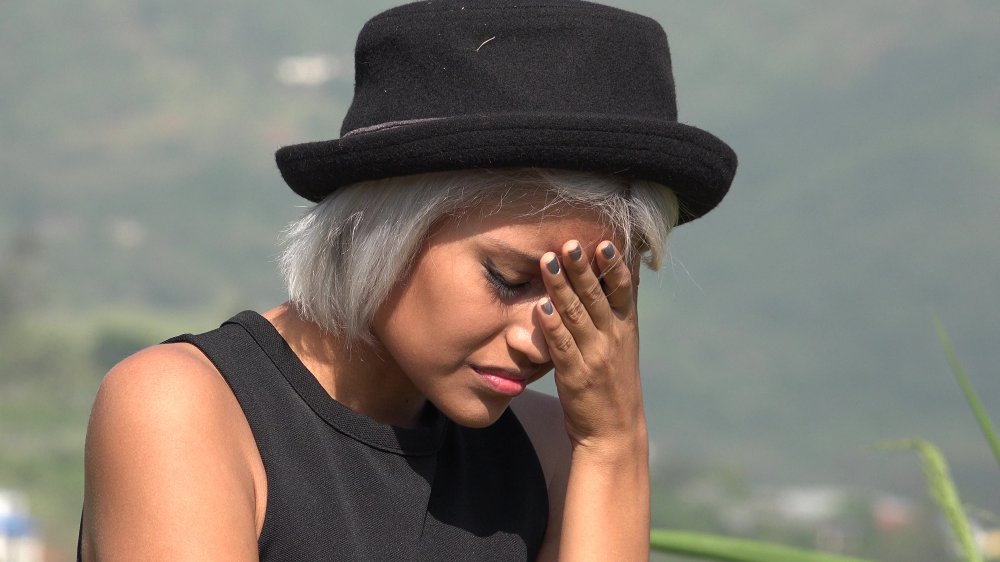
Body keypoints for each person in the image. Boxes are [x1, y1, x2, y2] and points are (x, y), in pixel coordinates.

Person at [78, 0, 736, 560]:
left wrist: (614, 444)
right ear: (381, 229)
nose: (544, 338)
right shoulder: (187, 410)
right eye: (509, 279)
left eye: (587, 297)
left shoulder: (552, 452)